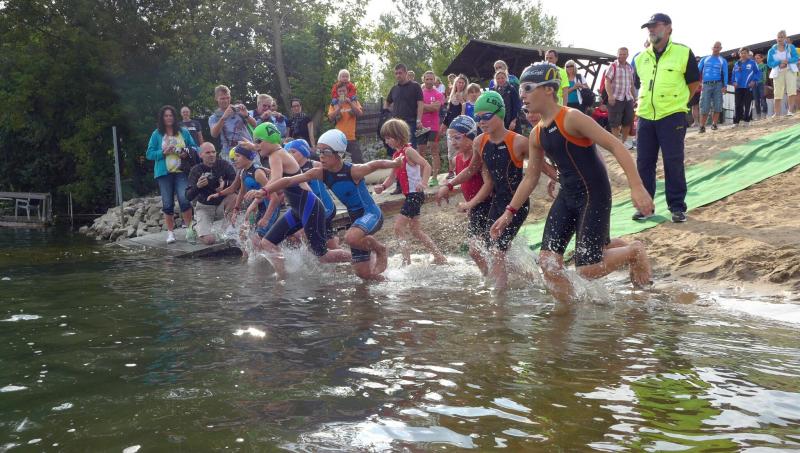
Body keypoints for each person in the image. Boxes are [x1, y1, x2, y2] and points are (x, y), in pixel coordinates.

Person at [491, 62, 654, 308]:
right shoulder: (536, 134)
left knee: (586, 268)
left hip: (593, 194)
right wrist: (508, 212)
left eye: (528, 88)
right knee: (548, 264)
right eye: (521, 89)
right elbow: (531, 177)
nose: (522, 94)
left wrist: (637, 187)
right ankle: (574, 312)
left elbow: (615, 145)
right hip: (567, 196)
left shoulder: (571, 118)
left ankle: (635, 251)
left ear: (549, 89)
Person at [264, 129, 401, 281]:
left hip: (371, 214)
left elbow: (375, 164)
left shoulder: (353, 171)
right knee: (364, 274)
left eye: (326, 152)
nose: (321, 156)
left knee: (350, 238)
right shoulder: (321, 172)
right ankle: (391, 284)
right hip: (355, 220)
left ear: (339, 153)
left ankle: (380, 249)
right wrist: (265, 190)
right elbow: (289, 180)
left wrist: (395, 163)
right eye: (319, 151)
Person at [434, 91, 528, 289]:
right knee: (493, 251)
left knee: (493, 251)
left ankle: (497, 292)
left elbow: (537, 169)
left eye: (486, 116)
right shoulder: (476, 146)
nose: (481, 121)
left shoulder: (515, 142)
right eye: (478, 118)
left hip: (507, 204)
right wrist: (448, 185)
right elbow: (470, 171)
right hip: (491, 205)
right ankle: (516, 279)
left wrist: (559, 178)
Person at [243, 123, 351, 276]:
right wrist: (254, 146)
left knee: (323, 256)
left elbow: (276, 179)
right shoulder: (279, 152)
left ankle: (361, 257)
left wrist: (261, 191)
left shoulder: (275, 155)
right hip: (298, 210)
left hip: (309, 206)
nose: (257, 146)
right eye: (255, 142)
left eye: (258, 141)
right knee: (267, 242)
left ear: (270, 140)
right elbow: (275, 173)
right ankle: (282, 277)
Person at [633, 13, 701, 223]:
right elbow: (638, 84)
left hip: (672, 116)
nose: (651, 29)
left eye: (655, 25)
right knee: (644, 163)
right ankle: (645, 207)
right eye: (649, 27)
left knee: (673, 161)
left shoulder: (683, 52)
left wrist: (680, 104)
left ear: (669, 28)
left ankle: (677, 207)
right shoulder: (640, 58)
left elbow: (693, 83)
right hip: (645, 116)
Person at [375, 119, 447, 265]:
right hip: (411, 195)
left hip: (415, 195)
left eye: (388, 138)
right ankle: (439, 256)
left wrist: (424, 183)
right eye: (385, 138)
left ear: (398, 136)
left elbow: (426, 165)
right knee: (415, 231)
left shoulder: (409, 151)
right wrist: (382, 187)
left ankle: (406, 261)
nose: (386, 141)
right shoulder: (396, 156)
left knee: (398, 227)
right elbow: (392, 177)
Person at [442, 115, 492, 275]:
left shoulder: (480, 157)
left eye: (457, 137)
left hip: (488, 205)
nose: (453, 142)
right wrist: (449, 188)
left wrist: (471, 204)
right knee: (479, 250)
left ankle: (492, 276)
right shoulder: (456, 159)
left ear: (471, 136)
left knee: (480, 249)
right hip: (475, 208)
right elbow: (466, 183)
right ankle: (489, 276)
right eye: (450, 138)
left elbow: (488, 185)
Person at [146, 105, 197, 244]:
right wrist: (163, 152)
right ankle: (170, 233)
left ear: (175, 117)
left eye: (171, 115)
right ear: (162, 118)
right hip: (164, 173)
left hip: (181, 171)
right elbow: (149, 154)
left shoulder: (183, 132)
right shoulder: (156, 134)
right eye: (166, 116)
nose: (169, 118)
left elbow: (195, 147)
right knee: (167, 203)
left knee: (185, 200)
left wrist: (186, 152)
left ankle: (190, 230)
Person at [285, 139, 340, 251]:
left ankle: (327, 252)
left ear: (303, 151)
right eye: (289, 152)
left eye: (293, 152)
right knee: (328, 243)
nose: (290, 155)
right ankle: (327, 248)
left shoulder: (316, 165)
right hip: (310, 210)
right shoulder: (292, 170)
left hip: (325, 208)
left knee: (300, 235)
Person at [185, 143, 237, 245]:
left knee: (234, 197)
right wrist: (198, 186)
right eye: (208, 153)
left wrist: (225, 184)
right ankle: (195, 227)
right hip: (204, 207)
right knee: (209, 241)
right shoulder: (196, 170)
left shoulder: (224, 164)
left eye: (213, 152)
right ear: (200, 155)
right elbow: (188, 196)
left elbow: (237, 183)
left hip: (221, 204)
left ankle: (225, 230)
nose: (212, 155)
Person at [208, 85, 257, 163]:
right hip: (230, 153)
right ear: (216, 98)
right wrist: (223, 117)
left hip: (248, 149)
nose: (226, 100)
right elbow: (214, 134)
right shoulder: (214, 117)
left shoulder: (238, 109)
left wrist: (247, 115)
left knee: (256, 169)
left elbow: (255, 125)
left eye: (228, 98)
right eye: (222, 98)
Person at [385, 63, 424, 148]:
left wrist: (419, 120)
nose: (398, 75)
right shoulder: (394, 88)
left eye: (400, 73)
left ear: (406, 73)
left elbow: (420, 103)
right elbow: (387, 102)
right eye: (396, 73)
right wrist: (387, 114)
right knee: (397, 148)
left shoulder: (415, 86)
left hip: (411, 123)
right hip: (396, 124)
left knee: (410, 148)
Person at [604, 47, 637, 143]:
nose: (622, 56)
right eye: (620, 54)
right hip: (616, 98)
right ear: (617, 55)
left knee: (628, 122)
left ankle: (623, 143)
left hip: (628, 98)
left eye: (624, 54)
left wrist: (635, 98)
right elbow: (607, 81)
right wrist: (610, 96)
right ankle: (616, 143)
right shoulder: (613, 66)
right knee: (615, 123)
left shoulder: (630, 67)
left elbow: (631, 84)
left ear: (627, 55)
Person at [418, 71, 444, 185]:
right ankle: (421, 179)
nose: (429, 81)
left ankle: (434, 178)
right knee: (420, 153)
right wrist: (429, 107)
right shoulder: (419, 93)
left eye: (431, 79)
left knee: (434, 151)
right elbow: (417, 108)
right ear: (423, 80)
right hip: (421, 126)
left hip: (434, 126)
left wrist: (423, 107)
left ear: (434, 80)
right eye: (427, 79)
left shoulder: (438, 94)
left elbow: (436, 108)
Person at [328, 82, 364, 163]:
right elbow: (330, 118)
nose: (342, 93)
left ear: (347, 91)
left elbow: (360, 113)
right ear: (337, 92)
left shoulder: (354, 101)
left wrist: (350, 103)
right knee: (339, 162)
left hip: (351, 138)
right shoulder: (334, 104)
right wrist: (339, 107)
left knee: (358, 161)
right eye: (340, 91)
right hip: (338, 139)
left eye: (343, 91)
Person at [697, 42, 728, 133]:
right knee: (704, 105)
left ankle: (714, 124)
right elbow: (698, 71)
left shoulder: (723, 60)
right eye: (715, 47)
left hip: (718, 84)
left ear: (721, 48)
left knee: (718, 105)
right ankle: (702, 126)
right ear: (712, 48)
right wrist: (697, 82)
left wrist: (725, 85)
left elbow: (725, 73)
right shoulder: (704, 59)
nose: (716, 49)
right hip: (706, 84)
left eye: (718, 47)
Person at [442, 74, 469, 178]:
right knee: (450, 148)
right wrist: (444, 124)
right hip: (451, 125)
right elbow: (449, 112)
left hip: (461, 125)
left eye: (462, 83)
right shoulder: (452, 95)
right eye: (459, 82)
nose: (460, 84)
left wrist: (462, 101)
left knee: (460, 148)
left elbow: (468, 109)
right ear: (456, 83)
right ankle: (451, 170)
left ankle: (460, 169)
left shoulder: (466, 95)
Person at [767, 30, 798, 117]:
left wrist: (787, 61)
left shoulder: (791, 47)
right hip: (778, 73)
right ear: (776, 39)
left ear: (785, 38)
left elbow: (796, 57)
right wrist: (779, 63)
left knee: (791, 90)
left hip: (790, 71)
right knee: (777, 92)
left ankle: (790, 111)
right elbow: (769, 63)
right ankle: (777, 113)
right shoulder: (771, 50)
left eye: (782, 37)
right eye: (779, 37)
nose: (780, 39)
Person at [732, 47, 761, 126]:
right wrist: (734, 82)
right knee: (737, 104)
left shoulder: (752, 62)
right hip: (738, 87)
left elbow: (758, 72)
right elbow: (733, 74)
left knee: (747, 104)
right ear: (739, 54)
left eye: (745, 53)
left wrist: (754, 81)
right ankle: (736, 122)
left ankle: (746, 121)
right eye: (742, 53)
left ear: (748, 54)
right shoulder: (736, 63)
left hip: (748, 87)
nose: (743, 54)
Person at [754, 53, 770, 119]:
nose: (756, 60)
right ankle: (758, 115)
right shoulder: (754, 66)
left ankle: (764, 114)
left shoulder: (764, 65)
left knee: (763, 99)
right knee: (756, 100)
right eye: (755, 58)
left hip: (761, 84)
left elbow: (764, 75)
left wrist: (764, 83)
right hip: (754, 84)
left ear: (762, 58)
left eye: (758, 58)